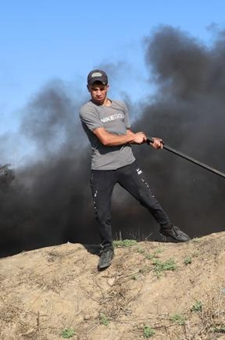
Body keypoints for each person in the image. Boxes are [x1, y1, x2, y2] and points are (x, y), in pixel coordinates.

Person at [79, 69, 189, 271]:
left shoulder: (120, 106)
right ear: (88, 89)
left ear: (107, 87)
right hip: (102, 169)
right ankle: (107, 249)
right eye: (94, 89)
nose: (98, 93)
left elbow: (127, 132)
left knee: (149, 200)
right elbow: (106, 139)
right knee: (102, 213)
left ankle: (168, 229)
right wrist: (132, 138)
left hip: (127, 164)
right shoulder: (87, 110)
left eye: (101, 88)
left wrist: (149, 140)